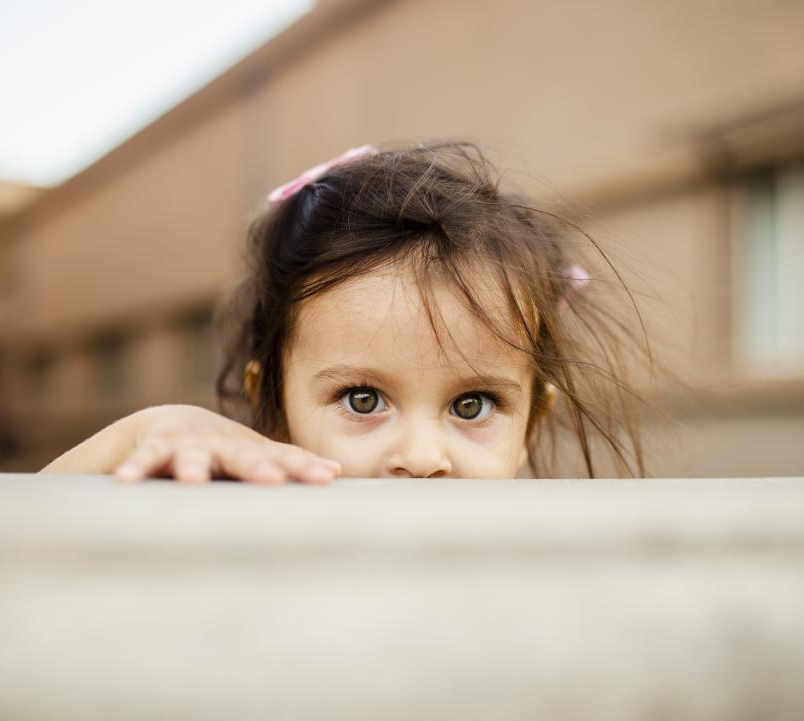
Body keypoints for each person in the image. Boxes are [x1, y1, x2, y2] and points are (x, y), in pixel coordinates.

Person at [42, 142, 648, 482]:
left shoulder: (544, 568)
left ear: (531, 425)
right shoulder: (239, 528)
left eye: (473, 405)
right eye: (363, 399)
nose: (420, 457)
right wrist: (144, 430)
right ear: (273, 408)